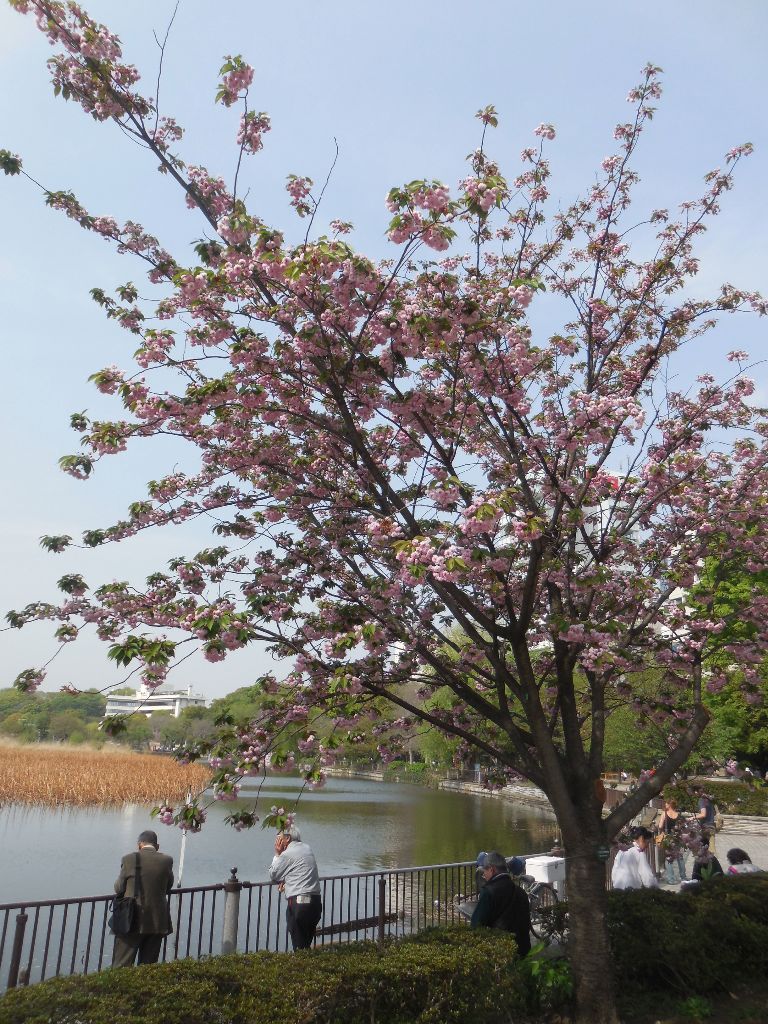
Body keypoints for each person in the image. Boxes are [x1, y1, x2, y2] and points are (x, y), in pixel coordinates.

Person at [112, 829, 174, 967]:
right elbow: (168, 886)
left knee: (122, 965)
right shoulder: (167, 860)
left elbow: (119, 888)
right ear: (157, 846)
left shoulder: (129, 859)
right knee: (148, 967)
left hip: (132, 919)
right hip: (158, 920)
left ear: (139, 845)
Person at [269, 825, 322, 950]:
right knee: (305, 945)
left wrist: (277, 854)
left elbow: (273, 874)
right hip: (315, 902)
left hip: (299, 904)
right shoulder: (307, 848)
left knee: (299, 946)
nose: (276, 840)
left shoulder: (287, 854)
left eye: (279, 837)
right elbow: (299, 869)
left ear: (287, 838)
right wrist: (287, 881)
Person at [470, 851, 531, 957]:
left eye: (484, 871)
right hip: (522, 950)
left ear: (491, 869)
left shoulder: (488, 892)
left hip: (500, 953)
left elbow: (476, 925)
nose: (484, 875)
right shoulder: (521, 892)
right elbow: (526, 924)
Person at [656, 797, 688, 884]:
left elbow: (660, 826)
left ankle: (671, 879)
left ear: (669, 805)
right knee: (680, 858)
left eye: (666, 803)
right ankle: (683, 877)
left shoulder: (665, 814)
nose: (665, 804)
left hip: (668, 839)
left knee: (669, 858)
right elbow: (682, 827)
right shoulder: (678, 815)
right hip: (677, 838)